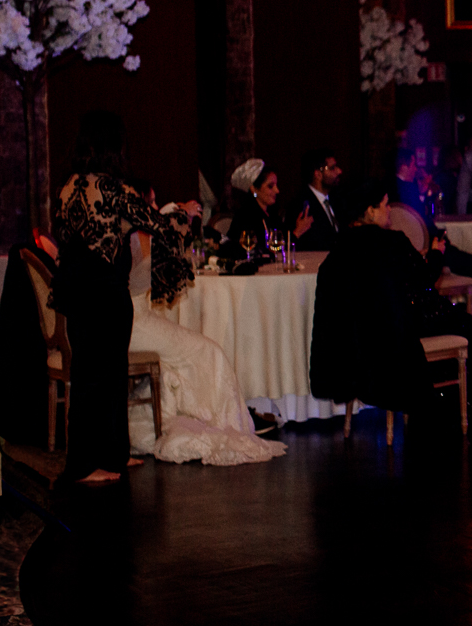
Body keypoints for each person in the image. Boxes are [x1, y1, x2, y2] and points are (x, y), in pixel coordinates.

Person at [50, 111, 199, 485]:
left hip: (77, 290)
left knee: (95, 375)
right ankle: (85, 465)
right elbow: (157, 225)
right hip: (104, 291)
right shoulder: (114, 187)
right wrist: (183, 213)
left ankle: (112, 455)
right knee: (101, 377)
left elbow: (66, 237)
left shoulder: (68, 186)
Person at [124, 202, 287, 465]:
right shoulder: (135, 235)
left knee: (202, 347)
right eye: (151, 202)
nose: (153, 207)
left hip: (138, 319)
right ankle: (222, 424)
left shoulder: (137, 233)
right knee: (207, 350)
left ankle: (221, 417)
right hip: (134, 323)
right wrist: (171, 217)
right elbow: (154, 272)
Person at [309, 180, 472, 429]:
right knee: (467, 324)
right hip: (393, 337)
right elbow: (424, 279)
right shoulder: (391, 243)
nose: (390, 211)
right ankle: (462, 409)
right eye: (385, 205)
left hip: (356, 346)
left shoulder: (337, 253)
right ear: (370, 211)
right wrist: (436, 253)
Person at [226, 159, 309, 258]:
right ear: (254, 189)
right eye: (270, 186)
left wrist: (297, 231)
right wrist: (297, 233)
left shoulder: (272, 215)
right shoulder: (245, 217)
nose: (277, 191)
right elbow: (258, 250)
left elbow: (282, 246)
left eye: (276, 185)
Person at [293, 148, 342, 252]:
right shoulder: (302, 205)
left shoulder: (337, 199)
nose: (339, 171)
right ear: (318, 174)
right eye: (332, 168)